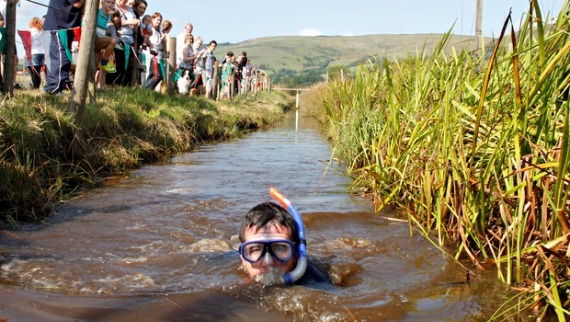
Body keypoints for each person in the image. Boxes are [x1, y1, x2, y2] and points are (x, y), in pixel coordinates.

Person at [238, 195, 331, 286]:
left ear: (295, 254)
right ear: (242, 259)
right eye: (255, 249)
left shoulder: (318, 283)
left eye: (280, 248)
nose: (268, 261)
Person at [42, 0, 85, 95]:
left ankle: (53, 88)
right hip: (58, 28)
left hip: (62, 27)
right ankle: (54, 89)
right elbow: (77, 4)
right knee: (61, 59)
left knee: (58, 59)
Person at [142, 12, 166, 90]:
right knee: (158, 75)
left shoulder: (159, 31)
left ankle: (147, 90)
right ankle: (145, 88)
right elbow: (154, 43)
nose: (158, 22)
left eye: (160, 20)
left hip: (158, 55)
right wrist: (162, 39)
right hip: (152, 55)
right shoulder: (150, 29)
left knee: (153, 74)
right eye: (157, 20)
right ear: (153, 19)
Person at [26, 17, 46, 89]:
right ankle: (37, 86)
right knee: (38, 70)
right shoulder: (41, 31)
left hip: (33, 52)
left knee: (33, 71)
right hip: (41, 52)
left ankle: (35, 87)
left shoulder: (30, 31)